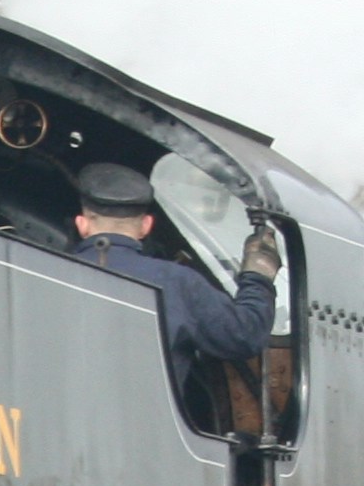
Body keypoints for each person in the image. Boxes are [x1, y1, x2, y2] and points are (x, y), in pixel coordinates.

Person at [71, 162, 280, 425]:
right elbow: (243, 336)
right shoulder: (177, 283)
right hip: (146, 437)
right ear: (146, 226)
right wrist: (257, 277)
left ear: (82, 224)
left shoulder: (43, 269)